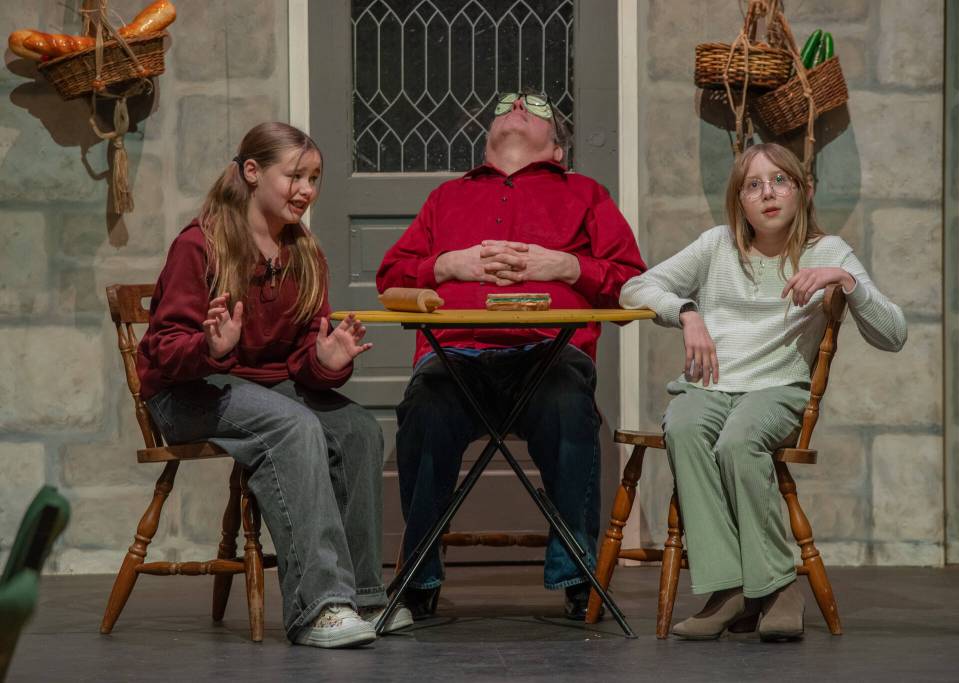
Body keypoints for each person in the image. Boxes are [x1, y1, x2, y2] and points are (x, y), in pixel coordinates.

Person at [136, 121, 410, 648]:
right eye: (295, 176)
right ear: (253, 172)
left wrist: (326, 360)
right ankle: (319, 605)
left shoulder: (302, 252)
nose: (306, 190)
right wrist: (212, 348)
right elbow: (166, 351)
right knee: (293, 426)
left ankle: (364, 595)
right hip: (187, 392)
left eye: (314, 178)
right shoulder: (200, 245)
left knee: (357, 429)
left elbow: (302, 362)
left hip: (263, 390)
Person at [619, 142, 907, 642]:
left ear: (803, 190)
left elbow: (894, 333)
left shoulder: (828, 252)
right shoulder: (716, 247)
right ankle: (728, 588)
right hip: (710, 387)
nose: (767, 193)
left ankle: (777, 586)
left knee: (738, 441)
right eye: (753, 185)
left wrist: (847, 281)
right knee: (684, 428)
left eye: (780, 181)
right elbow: (634, 288)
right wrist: (687, 313)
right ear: (740, 202)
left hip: (776, 389)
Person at [376, 91, 646, 620]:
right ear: (486, 139)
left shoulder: (587, 194)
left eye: (539, 108)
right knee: (426, 405)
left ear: (559, 150)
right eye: (508, 104)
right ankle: (419, 576)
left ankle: (576, 574)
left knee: (570, 402)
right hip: (456, 359)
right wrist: (448, 265)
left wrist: (568, 268)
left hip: (548, 356)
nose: (521, 106)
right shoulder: (446, 199)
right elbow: (389, 278)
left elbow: (636, 283)